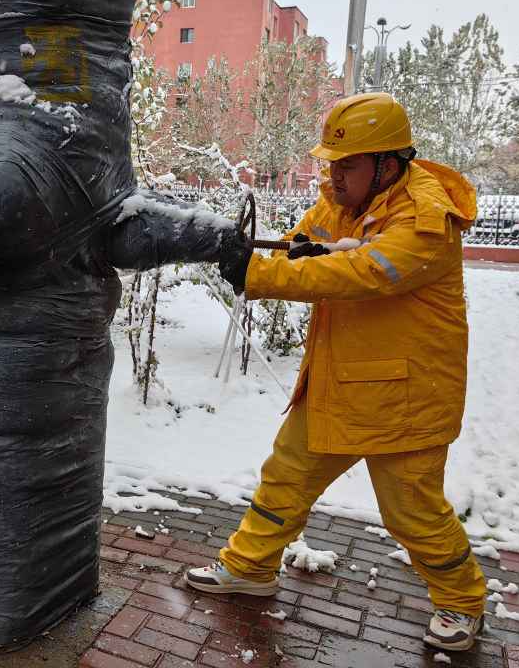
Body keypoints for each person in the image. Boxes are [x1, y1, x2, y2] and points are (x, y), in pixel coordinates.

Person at [193, 92, 485, 652]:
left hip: (406, 396)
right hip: (340, 382)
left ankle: (461, 601)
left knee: (413, 512)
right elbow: (310, 247)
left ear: (389, 164)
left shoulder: (426, 218)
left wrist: (257, 273)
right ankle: (250, 568)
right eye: (330, 162)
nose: (334, 175)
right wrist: (262, 252)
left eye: (346, 164)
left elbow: (360, 271)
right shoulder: (343, 202)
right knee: (285, 478)